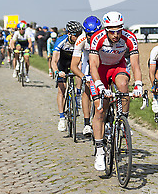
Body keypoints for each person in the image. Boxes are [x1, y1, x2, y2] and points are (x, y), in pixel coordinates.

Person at [89, 11, 143, 172]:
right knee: (100, 109)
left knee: (123, 85)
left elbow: (135, 65)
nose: (116, 34)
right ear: (106, 29)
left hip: (118, 67)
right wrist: (98, 84)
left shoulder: (129, 38)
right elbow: (93, 64)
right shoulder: (97, 38)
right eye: (112, 31)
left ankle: (123, 121)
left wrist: (139, 84)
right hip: (101, 70)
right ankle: (100, 151)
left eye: (119, 30)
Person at [71, 15, 102, 136]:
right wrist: (84, 77)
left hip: (101, 59)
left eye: (94, 34)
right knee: (87, 89)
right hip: (87, 60)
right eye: (89, 34)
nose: (91, 37)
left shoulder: (104, 38)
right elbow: (74, 66)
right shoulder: (81, 40)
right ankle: (87, 123)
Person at [52, 21, 83, 132]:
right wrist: (56, 71)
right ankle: (61, 118)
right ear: (69, 34)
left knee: (80, 73)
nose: (78, 36)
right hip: (63, 63)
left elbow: (82, 60)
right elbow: (54, 60)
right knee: (62, 89)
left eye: (80, 33)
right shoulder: (61, 41)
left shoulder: (81, 41)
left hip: (75, 62)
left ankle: (78, 95)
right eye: (76, 34)